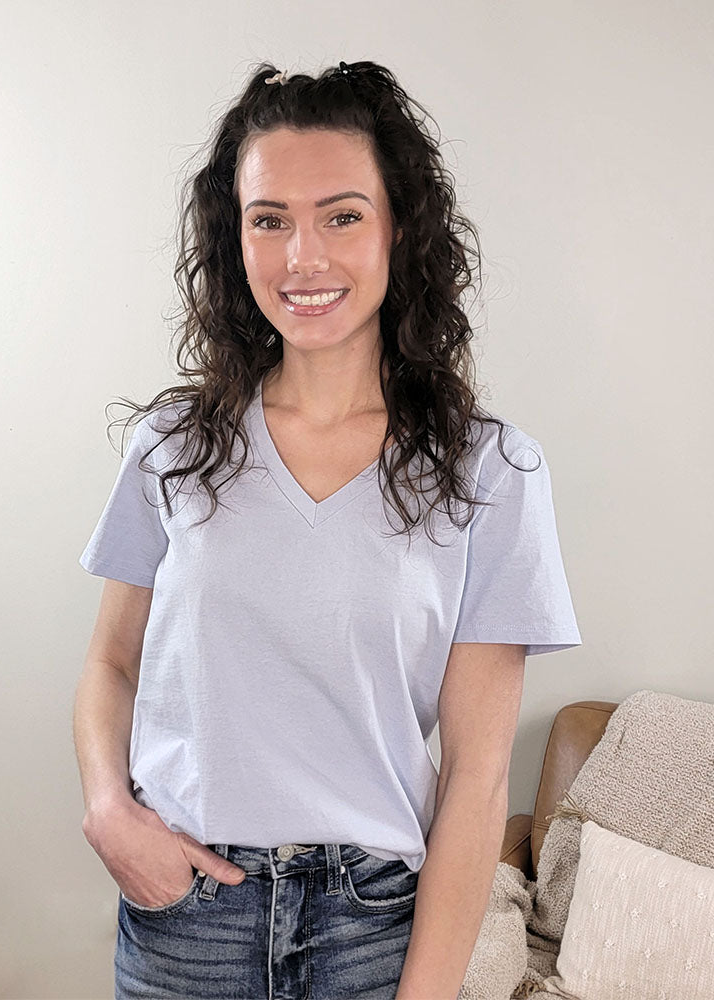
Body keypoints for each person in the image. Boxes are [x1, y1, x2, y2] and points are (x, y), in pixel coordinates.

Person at [73, 59, 582, 1000]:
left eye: (342, 215)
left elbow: (476, 779)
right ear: (238, 241)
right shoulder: (173, 446)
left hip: (375, 924)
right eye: (270, 220)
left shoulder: (491, 472)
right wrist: (109, 808)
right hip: (187, 917)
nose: (303, 257)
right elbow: (111, 663)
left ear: (400, 230)